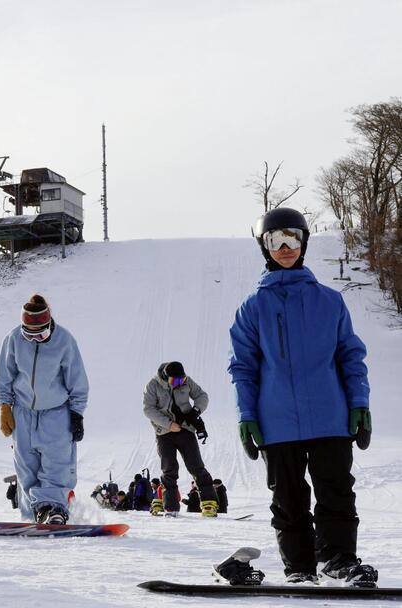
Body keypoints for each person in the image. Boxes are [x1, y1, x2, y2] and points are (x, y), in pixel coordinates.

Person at [228, 207, 376, 585]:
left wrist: (359, 402)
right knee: (289, 500)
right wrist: (247, 415)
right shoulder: (253, 307)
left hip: (330, 415)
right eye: (275, 240)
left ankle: (339, 560)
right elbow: (243, 367)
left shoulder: (330, 301)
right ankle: (299, 568)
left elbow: (350, 356)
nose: (285, 247)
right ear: (264, 247)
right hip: (277, 421)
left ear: (304, 241)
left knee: (336, 493)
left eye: (292, 237)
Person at [0, 294, 89, 525]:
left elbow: (77, 381)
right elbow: (4, 375)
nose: (35, 339)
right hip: (23, 412)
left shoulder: (64, 340)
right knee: (26, 466)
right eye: (30, 334)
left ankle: (53, 508)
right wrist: (5, 406)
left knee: (57, 463)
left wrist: (77, 414)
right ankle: (32, 515)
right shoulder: (14, 339)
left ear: (49, 324)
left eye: (41, 334)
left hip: (57, 413)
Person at [143, 361, 219, 517]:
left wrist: (195, 411)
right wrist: (169, 424)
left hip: (185, 429)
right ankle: (170, 507)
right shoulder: (152, 385)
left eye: (181, 380)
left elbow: (202, 396)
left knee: (196, 466)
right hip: (164, 433)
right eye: (174, 381)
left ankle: (209, 504)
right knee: (169, 469)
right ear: (165, 377)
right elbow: (148, 409)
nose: (178, 383)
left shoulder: (186, 380)